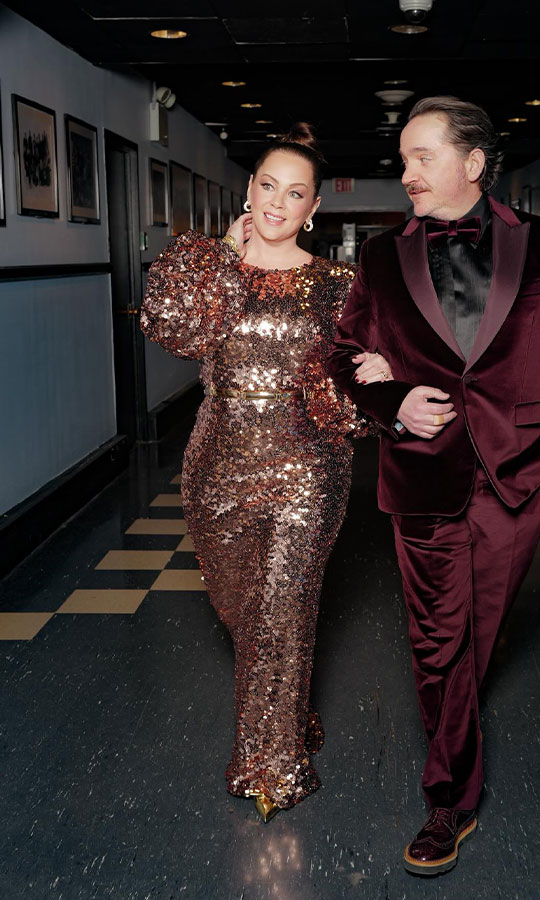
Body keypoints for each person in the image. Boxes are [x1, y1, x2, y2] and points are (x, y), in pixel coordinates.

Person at [328, 97, 540, 875]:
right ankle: (448, 800)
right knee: (437, 641)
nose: (406, 172)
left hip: (518, 477)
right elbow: (343, 354)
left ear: (474, 163)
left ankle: (454, 756)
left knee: (477, 638)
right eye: (404, 158)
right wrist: (391, 401)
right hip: (421, 478)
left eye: (422, 157)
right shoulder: (382, 258)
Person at [141, 124, 392, 823]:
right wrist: (223, 252)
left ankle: (269, 764)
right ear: (248, 189)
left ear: (313, 208)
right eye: (268, 186)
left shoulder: (337, 284)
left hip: (307, 464)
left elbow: (365, 370)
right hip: (217, 458)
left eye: (296, 193)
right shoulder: (211, 269)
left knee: (285, 608)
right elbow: (171, 325)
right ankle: (289, 709)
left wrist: (375, 373)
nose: (279, 203)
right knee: (243, 609)